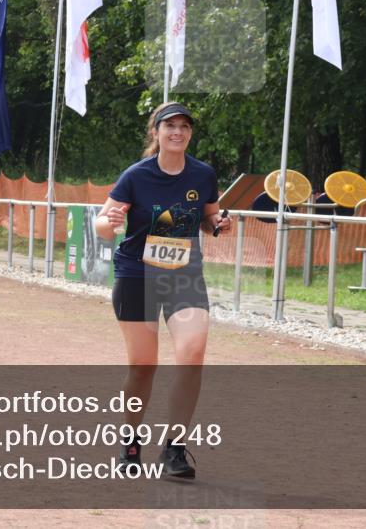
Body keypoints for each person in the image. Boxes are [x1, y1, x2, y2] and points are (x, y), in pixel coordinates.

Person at [94, 102, 231, 479]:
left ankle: (174, 450)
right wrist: (110, 221)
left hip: (184, 275)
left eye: (185, 126)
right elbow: (102, 225)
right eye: (170, 125)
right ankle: (131, 441)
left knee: (192, 354)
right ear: (156, 132)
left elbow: (207, 217)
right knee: (143, 367)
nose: (178, 132)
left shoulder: (203, 174)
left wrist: (218, 223)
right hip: (137, 275)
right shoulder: (136, 176)